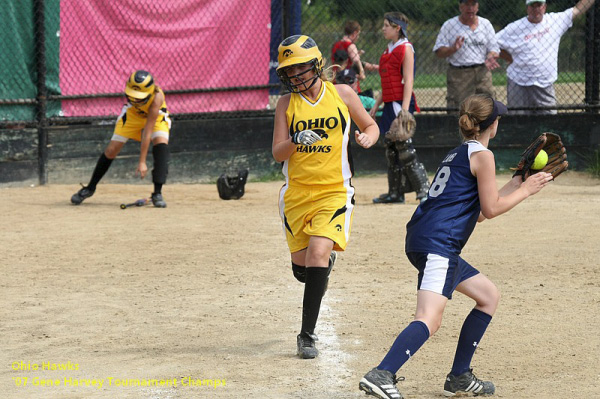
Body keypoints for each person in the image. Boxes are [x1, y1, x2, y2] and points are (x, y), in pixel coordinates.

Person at [358, 94, 554, 399]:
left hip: (427, 237)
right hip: (440, 243)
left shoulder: (460, 153)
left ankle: (460, 377)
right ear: (493, 126)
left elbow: (475, 213)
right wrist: (528, 190)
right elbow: (490, 210)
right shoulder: (484, 156)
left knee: (488, 296)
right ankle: (382, 373)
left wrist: (516, 183)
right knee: (429, 318)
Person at [273, 34, 379, 359]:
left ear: (316, 64)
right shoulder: (285, 104)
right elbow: (278, 153)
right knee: (302, 271)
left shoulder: (342, 93)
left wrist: (366, 138)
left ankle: (306, 336)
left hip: (335, 190)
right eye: (289, 71)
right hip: (297, 196)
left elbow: (371, 125)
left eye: (301, 68)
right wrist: (295, 139)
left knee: (319, 252)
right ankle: (319, 266)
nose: (295, 76)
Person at [70, 70, 171, 208]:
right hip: (132, 116)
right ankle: (90, 188)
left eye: (139, 96)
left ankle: (157, 193)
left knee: (161, 145)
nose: (135, 99)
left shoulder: (156, 98)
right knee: (111, 150)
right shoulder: (133, 100)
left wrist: (142, 161)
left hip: (156, 118)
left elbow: (147, 131)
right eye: (132, 95)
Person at [370, 12, 430, 204]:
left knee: (404, 145)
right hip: (389, 103)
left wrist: (404, 110)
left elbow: (408, 80)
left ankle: (424, 190)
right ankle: (395, 193)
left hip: (400, 103)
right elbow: (388, 81)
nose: (383, 28)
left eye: (387, 25)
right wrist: (377, 105)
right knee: (391, 148)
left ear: (397, 28)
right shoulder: (388, 49)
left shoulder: (406, 48)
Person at [496, 0, 596, 114]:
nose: (535, 9)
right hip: (518, 82)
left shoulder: (555, 21)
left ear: (544, 7)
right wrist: (508, 57)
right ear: (527, 8)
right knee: (518, 120)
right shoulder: (515, 27)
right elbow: (493, 44)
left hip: (544, 83)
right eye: (532, 6)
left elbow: (578, 9)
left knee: (549, 119)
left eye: (538, 5)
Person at [433, 0, 500, 111]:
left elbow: (494, 48)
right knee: (460, 110)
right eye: (466, 4)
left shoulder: (485, 24)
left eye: (473, 4)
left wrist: (491, 56)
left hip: (482, 72)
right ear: (460, 7)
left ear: (477, 7)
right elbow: (438, 52)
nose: (470, 8)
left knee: (487, 108)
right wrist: (453, 48)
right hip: (459, 74)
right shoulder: (450, 25)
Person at [331, 21, 378, 88]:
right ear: (355, 33)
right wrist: (362, 73)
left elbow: (343, 57)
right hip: (348, 80)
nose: (358, 37)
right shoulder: (350, 45)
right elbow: (356, 60)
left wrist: (357, 53)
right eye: (358, 34)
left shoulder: (336, 44)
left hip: (336, 77)